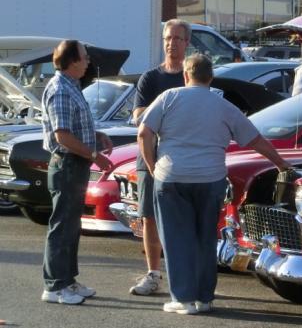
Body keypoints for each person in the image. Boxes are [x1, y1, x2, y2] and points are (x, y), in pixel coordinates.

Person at [138, 53, 290, 315]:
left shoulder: (168, 97)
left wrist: (152, 166)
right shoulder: (224, 106)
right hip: (210, 178)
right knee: (206, 238)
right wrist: (281, 164)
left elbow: (144, 132)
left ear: (186, 75)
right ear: (211, 78)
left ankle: (183, 298)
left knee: (176, 239)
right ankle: (205, 297)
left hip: (172, 177)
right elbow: (255, 139)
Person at [41, 40, 113, 305]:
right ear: (72, 61)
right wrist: (94, 155)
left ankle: (67, 280)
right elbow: (62, 136)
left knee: (71, 225)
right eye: (84, 57)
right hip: (67, 164)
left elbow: (72, 128)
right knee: (62, 226)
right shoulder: (61, 89)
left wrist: (96, 135)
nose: (88, 61)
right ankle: (55, 286)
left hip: (74, 164)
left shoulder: (71, 85)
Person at [129, 19, 190, 296]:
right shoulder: (150, 78)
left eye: (177, 38)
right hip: (149, 158)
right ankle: (153, 274)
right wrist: (166, 110)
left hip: (183, 160)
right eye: (167, 38)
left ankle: (184, 275)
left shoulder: (190, 78)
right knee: (149, 218)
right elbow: (138, 116)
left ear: (187, 42)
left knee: (181, 218)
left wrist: (160, 117)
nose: (171, 43)